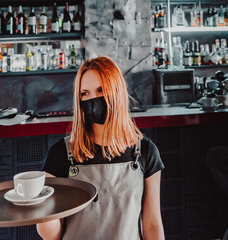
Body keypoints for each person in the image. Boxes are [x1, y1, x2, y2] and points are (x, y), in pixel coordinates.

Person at [36, 57, 165, 240]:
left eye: (100, 90)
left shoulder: (145, 152)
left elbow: (152, 225)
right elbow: (52, 235)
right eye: (84, 93)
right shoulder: (60, 154)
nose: (92, 99)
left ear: (116, 92)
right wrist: (42, 211)